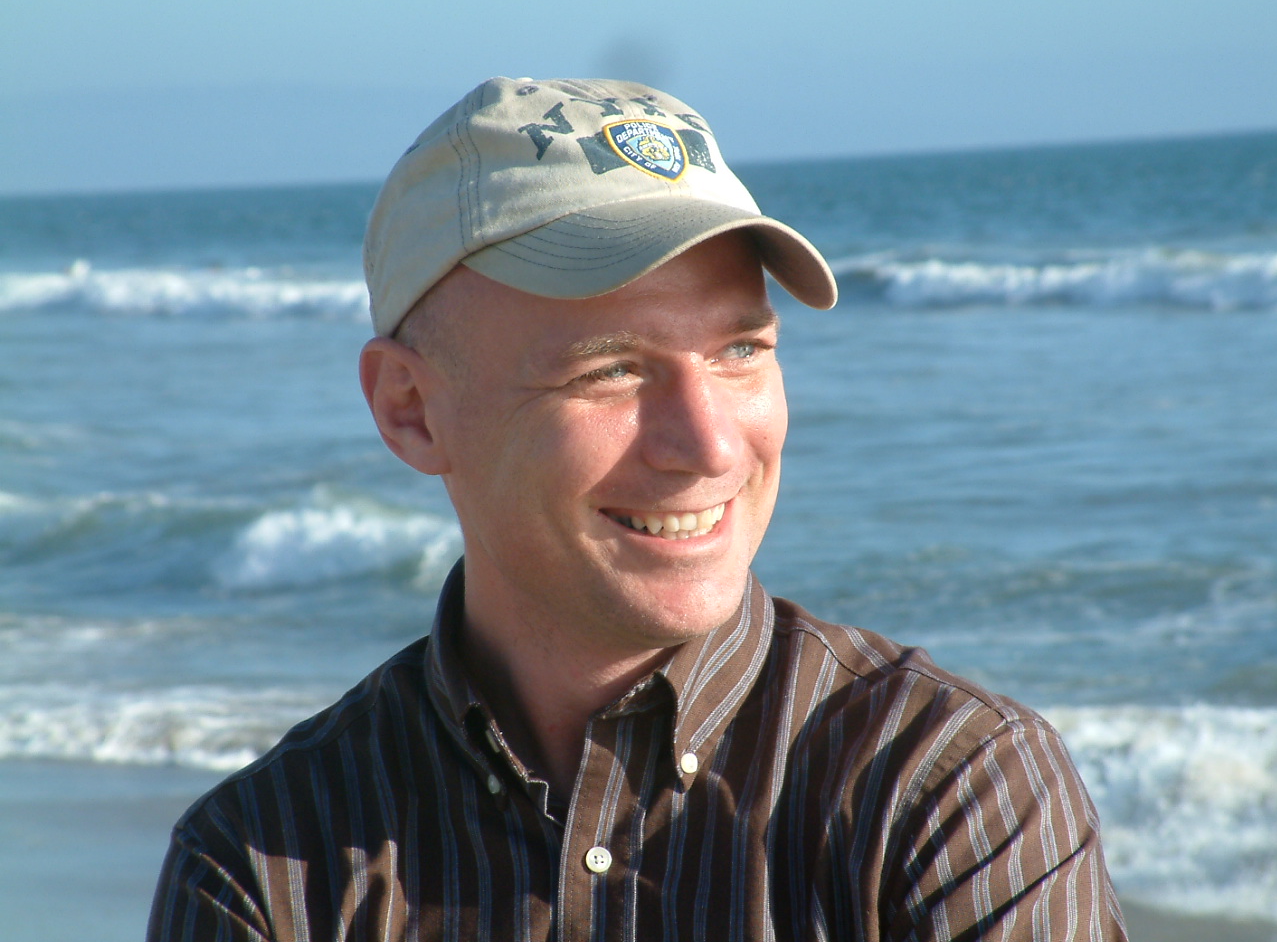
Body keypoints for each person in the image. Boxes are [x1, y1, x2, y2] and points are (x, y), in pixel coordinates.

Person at [148, 77, 1128, 941]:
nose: (709, 445)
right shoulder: (266, 865)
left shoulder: (946, 787)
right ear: (410, 410)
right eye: (610, 369)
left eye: (740, 351)